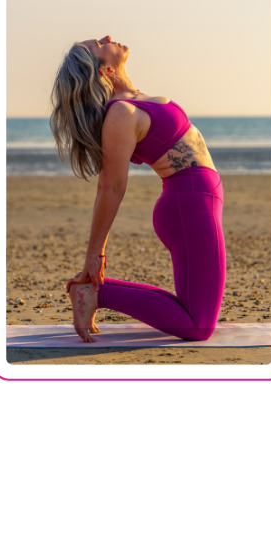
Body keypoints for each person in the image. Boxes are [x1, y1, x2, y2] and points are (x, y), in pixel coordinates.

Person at [50, 35, 225, 342]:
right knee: (198, 326)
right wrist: (95, 253)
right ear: (105, 69)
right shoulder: (121, 114)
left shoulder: (133, 102)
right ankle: (95, 294)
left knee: (194, 312)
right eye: (98, 44)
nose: (107, 38)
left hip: (197, 205)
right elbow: (111, 187)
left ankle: (94, 291)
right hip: (189, 208)